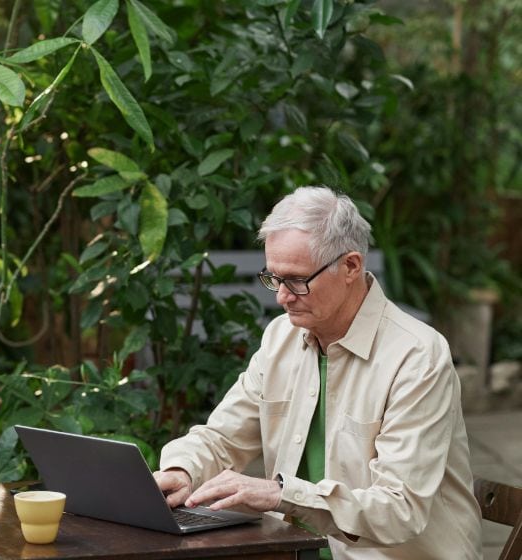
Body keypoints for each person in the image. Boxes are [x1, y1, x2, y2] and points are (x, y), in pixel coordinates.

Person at [153, 186, 482, 559]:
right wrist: (182, 471)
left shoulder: (417, 356)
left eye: (296, 280)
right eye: (273, 278)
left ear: (351, 266)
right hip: (296, 551)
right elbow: (222, 437)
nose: (281, 296)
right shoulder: (281, 337)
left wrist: (280, 494)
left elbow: (399, 509)